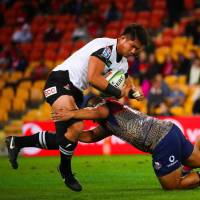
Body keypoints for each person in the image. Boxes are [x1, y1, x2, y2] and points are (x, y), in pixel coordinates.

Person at [6, 23, 149, 192]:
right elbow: (93, 78)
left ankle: (16, 142)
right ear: (122, 38)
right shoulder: (106, 48)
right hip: (60, 80)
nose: (134, 52)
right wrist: (119, 93)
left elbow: (125, 83)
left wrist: (133, 93)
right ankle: (65, 171)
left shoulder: (123, 64)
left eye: (137, 50)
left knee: (67, 137)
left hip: (76, 91)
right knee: (76, 127)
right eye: (133, 46)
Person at [6, 95, 200, 190]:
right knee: (197, 160)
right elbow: (89, 137)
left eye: (91, 110)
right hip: (170, 131)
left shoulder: (106, 108)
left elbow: (96, 112)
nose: (91, 116)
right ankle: (188, 171)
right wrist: (68, 134)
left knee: (171, 186)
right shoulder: (107, 124)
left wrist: (71, 114)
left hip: (161, 141)